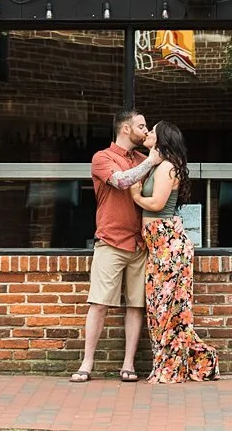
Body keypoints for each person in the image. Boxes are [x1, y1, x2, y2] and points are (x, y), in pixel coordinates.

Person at [73, 108, 158, 383]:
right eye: (142, 126)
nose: (145, 131)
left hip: (140, 244)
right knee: (99, 303)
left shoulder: (144, 158)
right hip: (110, 241)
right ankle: (86, 364)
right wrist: (150, 162)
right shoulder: (102, 158)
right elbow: (122, 181)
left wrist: (156, 152)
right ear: (125, 129)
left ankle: (129, 364)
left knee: (136, 306)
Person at [132, 120, 218, 384]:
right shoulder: (157, 165)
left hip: (169, 245)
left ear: (162, 139)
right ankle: (184, 361)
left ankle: (177, 365)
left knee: (169, 309)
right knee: (160, 308)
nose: (147, 133)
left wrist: (135, 195)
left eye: (152, 131)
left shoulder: (167, 167)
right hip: (158, 246)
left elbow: (157, 204)